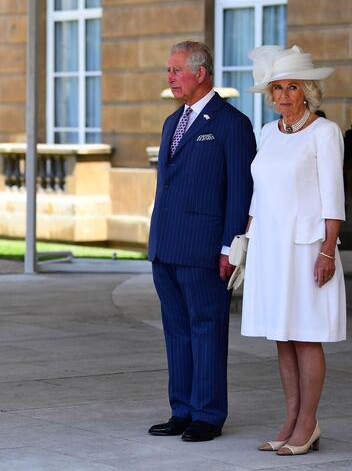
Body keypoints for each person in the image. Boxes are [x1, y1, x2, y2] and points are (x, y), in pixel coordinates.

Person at [147, 41, 256, 442]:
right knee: (176, 330)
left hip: (206, 250)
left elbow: (240, 192)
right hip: (166, 247)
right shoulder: (171, 122)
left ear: (201, 73)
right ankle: (182, 410)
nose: (170, 77)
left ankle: (208, 415)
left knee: (207, 329)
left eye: (177, 70)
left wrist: (230, 246)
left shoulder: (231, 124)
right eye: (169, 70)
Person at [242, 45, 344, 456]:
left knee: (306, 336)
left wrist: (328, 251)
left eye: (292, 87)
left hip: (306, 250)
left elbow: (333, 198)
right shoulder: (267, 132)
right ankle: (290, 420)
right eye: (277, 88)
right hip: (270, 248)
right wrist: (246, 244)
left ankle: (308, 424)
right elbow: (258, 196)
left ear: (307, 92)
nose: (284, 95)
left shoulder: (325, 132)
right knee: (281, 338)